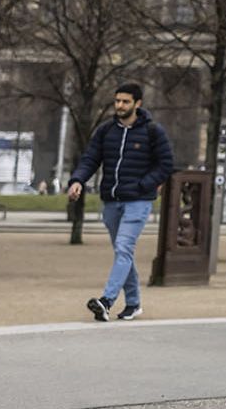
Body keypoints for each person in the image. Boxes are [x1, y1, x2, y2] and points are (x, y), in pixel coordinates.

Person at [67, 83, 175, 322]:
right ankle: (134, 303)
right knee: (122, 253)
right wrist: (77, 181)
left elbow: (166, 165)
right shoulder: (106, 131)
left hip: (138, 201)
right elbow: (90, 159)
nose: (119, 105)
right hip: (111, 201)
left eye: (125, 101)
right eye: (117, 101)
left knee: (124, 248)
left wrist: (142, 185)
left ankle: (106, 300)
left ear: (137, 104)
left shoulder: (152, 131)